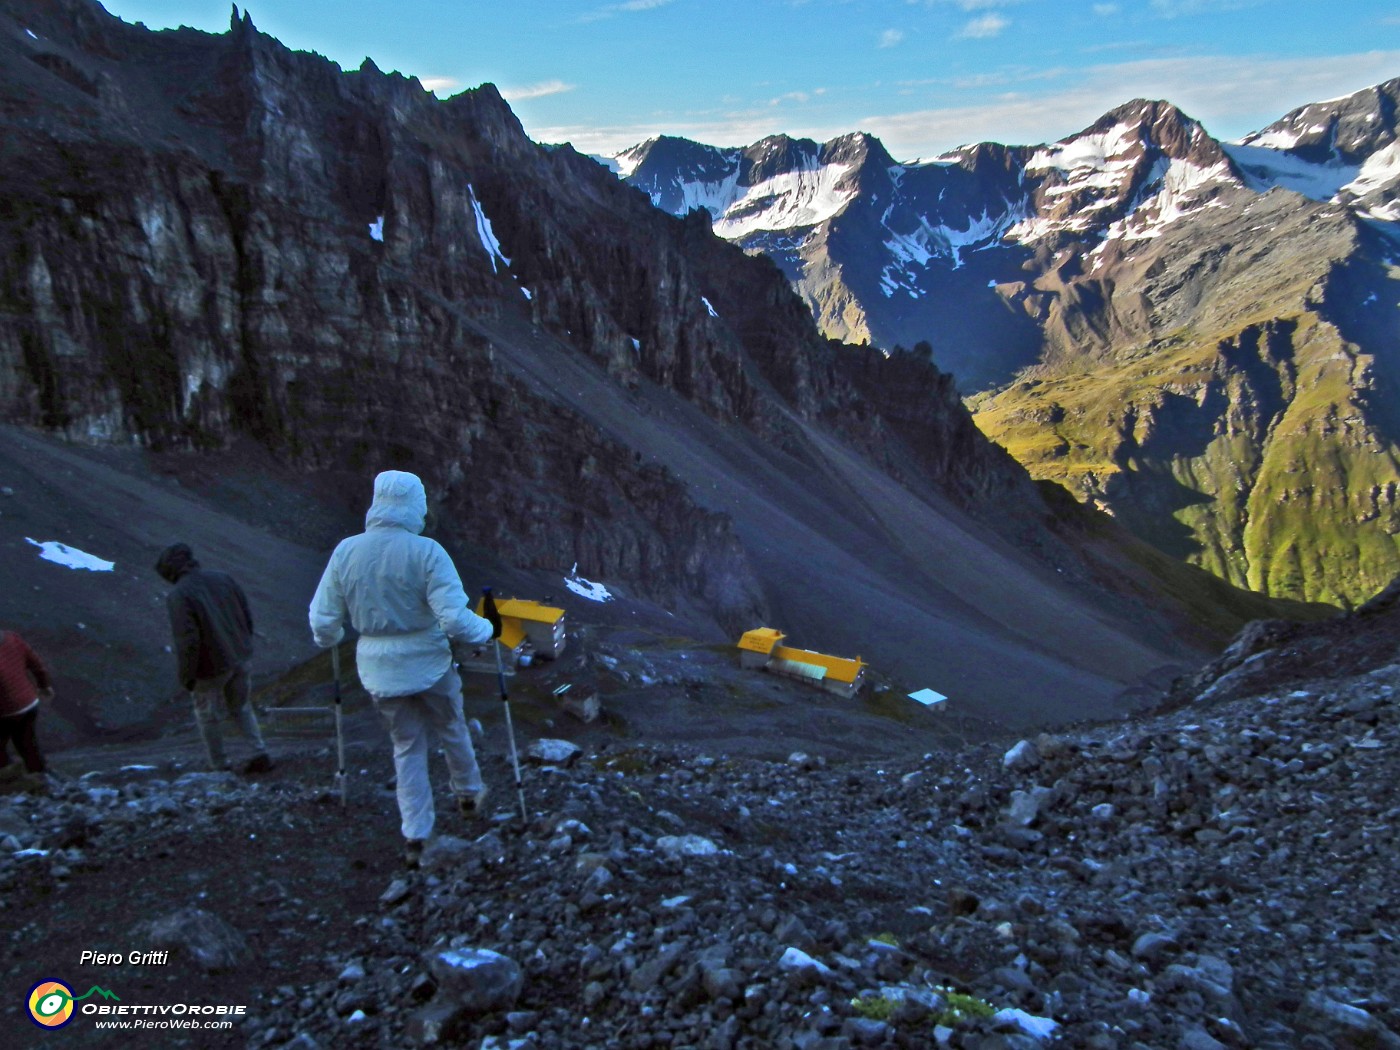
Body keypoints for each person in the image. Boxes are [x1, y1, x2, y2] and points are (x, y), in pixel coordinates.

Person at [308, 470, 499, 868]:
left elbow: (323, 619)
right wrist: (488, 630)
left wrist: (330, 637)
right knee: (451, 725)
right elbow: (454, 621)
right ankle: (469, 792)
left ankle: (416, 833)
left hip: (380, 671)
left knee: (407, 745)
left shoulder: (346, 551)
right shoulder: (427, 552)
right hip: (429, 663)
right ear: (416, 505)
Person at [155, 543, 273, 775]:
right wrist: (243, 646)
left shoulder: (179, 595)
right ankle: (259, 753)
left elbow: (188, 641)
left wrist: (188, 677)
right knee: (240, 707)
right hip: (240, 656)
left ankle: (219, 765)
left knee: (207, 715)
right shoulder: (223, 578)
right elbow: (246, 615)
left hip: (211, 668)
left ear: (170, 570)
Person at [0, 628, 53, 777]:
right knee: (27, 744)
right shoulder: (12, 638)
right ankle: (42, 778)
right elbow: (36, 664)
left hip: (6, 710)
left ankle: (11, 782)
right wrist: (44, 686)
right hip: (28, 703)